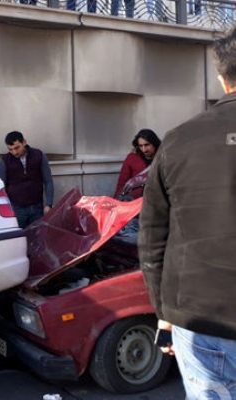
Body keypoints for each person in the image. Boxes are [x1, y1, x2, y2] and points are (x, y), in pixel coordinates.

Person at [138, 25, 236, 400]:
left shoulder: (179, 140)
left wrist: (165, 311)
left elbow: (152, 239)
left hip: (200, 321)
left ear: (221, 79)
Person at [0, 131, 54, 229]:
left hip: (37, 208)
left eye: (17, 147)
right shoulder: (5, 161)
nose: (14, 152)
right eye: (10, 149)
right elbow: (1, 188)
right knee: (18, 241)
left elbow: (48, 181)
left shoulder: (38, 155)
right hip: (16, 210)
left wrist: (49, 204)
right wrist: (8, 210)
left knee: (37, 239)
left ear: (24, 142)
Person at [114, 129, 161, 199]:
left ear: (154, 143)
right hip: (135, 201)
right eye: (141, 146)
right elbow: (122, 184)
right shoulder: (132, 158)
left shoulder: (162, 157)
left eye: (147, 145)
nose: (144, 149)